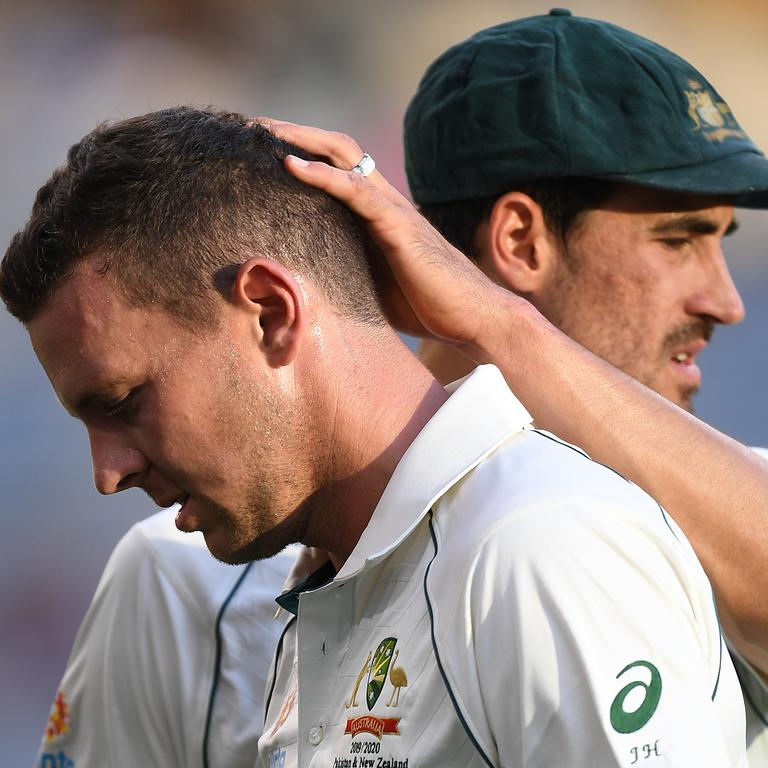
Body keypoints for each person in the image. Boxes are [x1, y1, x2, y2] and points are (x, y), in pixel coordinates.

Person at [2, 108, 750, 766]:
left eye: (126, 400)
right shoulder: (323, 575)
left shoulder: (537, 548)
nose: (107, 473)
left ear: (270, 311)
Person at [266, 11, 768, 765]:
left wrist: (501, 326)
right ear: (519, 242)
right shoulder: (193, 573)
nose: (726, 302)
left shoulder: (734, 506)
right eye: (678, 240)